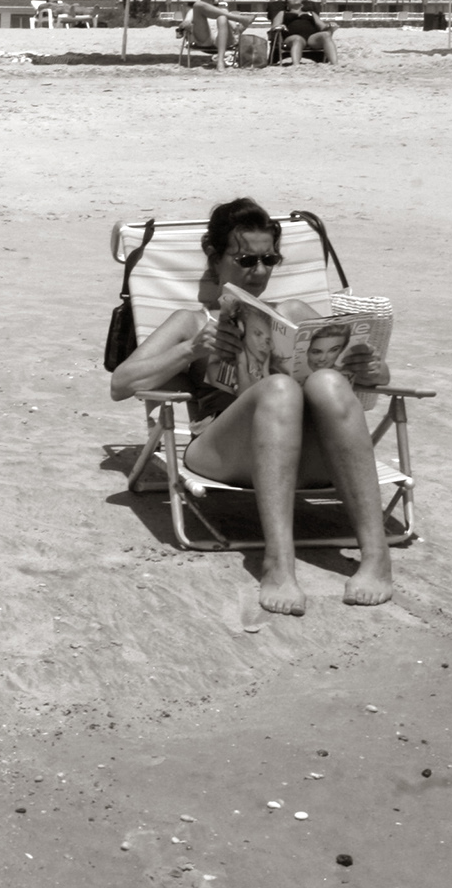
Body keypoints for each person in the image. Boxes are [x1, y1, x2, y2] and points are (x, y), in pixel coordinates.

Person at [110, 197, 394, 614]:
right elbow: (121, 384)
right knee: (279, 389)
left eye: (269, 259)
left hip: (309, 456)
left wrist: (370, 368)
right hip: (225, 452)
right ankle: (279, 563)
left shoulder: (294, 314)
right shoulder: (191, 322)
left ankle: (376, 557)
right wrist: (190, 351)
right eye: (246, 259)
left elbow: (377, 381)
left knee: (329, 380)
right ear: (215, 257)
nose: (259, 271)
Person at [186, 0, 262, 69]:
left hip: (224, 41)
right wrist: (184, 26)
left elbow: (237, 30)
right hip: (205, 40)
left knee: (222, 17)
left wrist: (244, 26)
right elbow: (186, 23)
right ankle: (240, 18)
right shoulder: (193, 11)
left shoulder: (224, 11)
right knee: (198, 5)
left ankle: (220, 61)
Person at [272, 0, 337, 65]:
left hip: (311, 39)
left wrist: (330, 26)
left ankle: (335, 64)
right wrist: (280, 26)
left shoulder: (311, 13)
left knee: (326, 35)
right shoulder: (283, 13)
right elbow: (275, 26)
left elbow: (322, 26)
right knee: (298, 39)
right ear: (287, 4)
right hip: (291, 38)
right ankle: (296, 66)